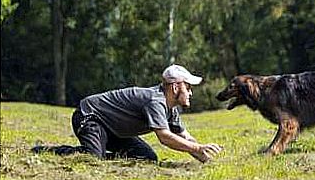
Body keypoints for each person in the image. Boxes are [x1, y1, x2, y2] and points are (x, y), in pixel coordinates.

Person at [32, 65, 222, 163]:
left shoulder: (170, 108)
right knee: (93, 158)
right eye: (187, 87)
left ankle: (101, 150)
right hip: (89, 116)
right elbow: (165, 137)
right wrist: (197, 149)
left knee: (147, 158)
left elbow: (185, 137)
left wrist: (205, 158)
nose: (190, 92)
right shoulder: (155, 101)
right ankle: (46, 151)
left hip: (113, 129)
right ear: (174, 87)